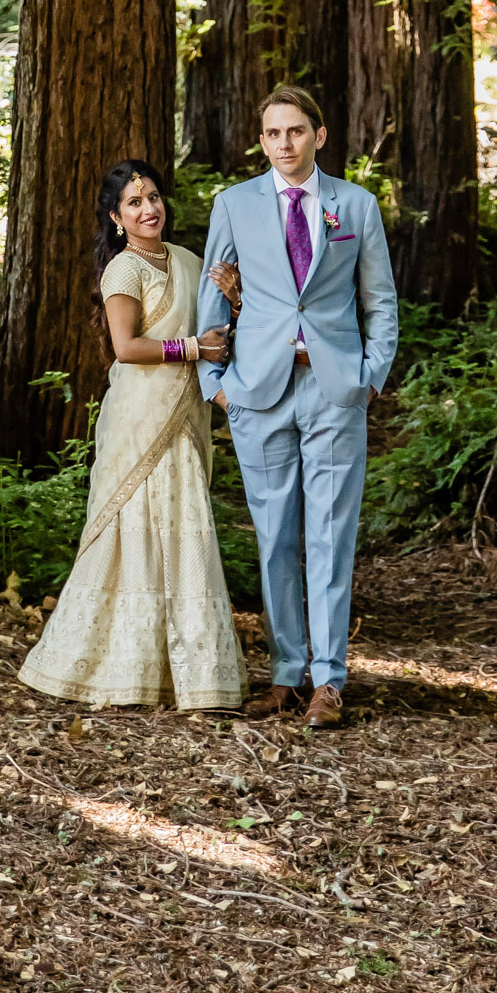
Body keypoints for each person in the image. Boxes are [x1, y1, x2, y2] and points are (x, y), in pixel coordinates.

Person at [196, 82, 398, 730]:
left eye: (296, 131)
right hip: (258, 391)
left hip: (334, 389)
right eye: (273, 133)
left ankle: (329, 680)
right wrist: (216, 385)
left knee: (330, 535)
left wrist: (368, 378)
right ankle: (287, 672)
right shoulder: (233, 205)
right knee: (275, 536)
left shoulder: (355, 207)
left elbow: (381, 304)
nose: (285, 143)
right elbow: (211, 297)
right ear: (262, 141)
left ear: (320, 136)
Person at [19, 159, 247, 712]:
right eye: (134, 203)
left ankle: (191, 676)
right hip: (137, 420)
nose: (149, 209)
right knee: (133, 532)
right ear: (118, 218)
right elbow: (127, 348)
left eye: (153, 198)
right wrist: (193, 348)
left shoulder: (191, 262)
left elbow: (224, 333)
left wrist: (237, 300)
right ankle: (114, 667)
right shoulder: (124, 270)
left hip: (185, 419)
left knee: (183, 527)